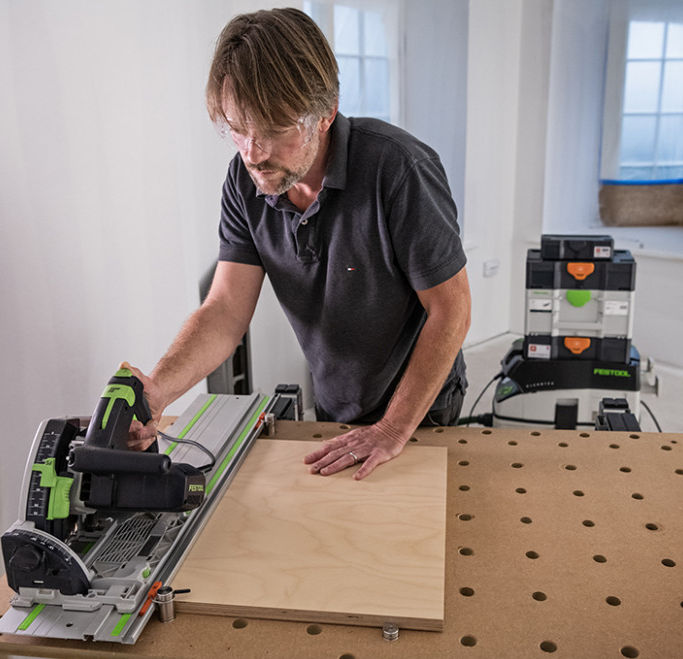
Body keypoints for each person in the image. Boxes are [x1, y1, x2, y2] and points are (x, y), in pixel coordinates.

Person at [126, 7, 471, 480]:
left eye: (271, 129)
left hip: (419, 411)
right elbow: (225, 311)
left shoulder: (399, 169)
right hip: (335, 405)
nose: (253, 152)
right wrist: (158, 391)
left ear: (325, 113)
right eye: (237, 128)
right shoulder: (246, 180)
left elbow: (451, 310)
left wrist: (392, 430)